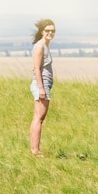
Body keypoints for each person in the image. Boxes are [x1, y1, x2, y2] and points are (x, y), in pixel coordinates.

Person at [29, 18, 56, 156]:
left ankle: (35, 149)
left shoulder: (45, 45)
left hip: (45, 84)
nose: (50, 33)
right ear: (42, 31)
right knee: (39, 118)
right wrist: (41, 88)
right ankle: (35, 150)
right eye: (47, 30)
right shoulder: (40, 46)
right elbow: (36, 68)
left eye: (52, 31)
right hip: (42, 84)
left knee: (38, 117)